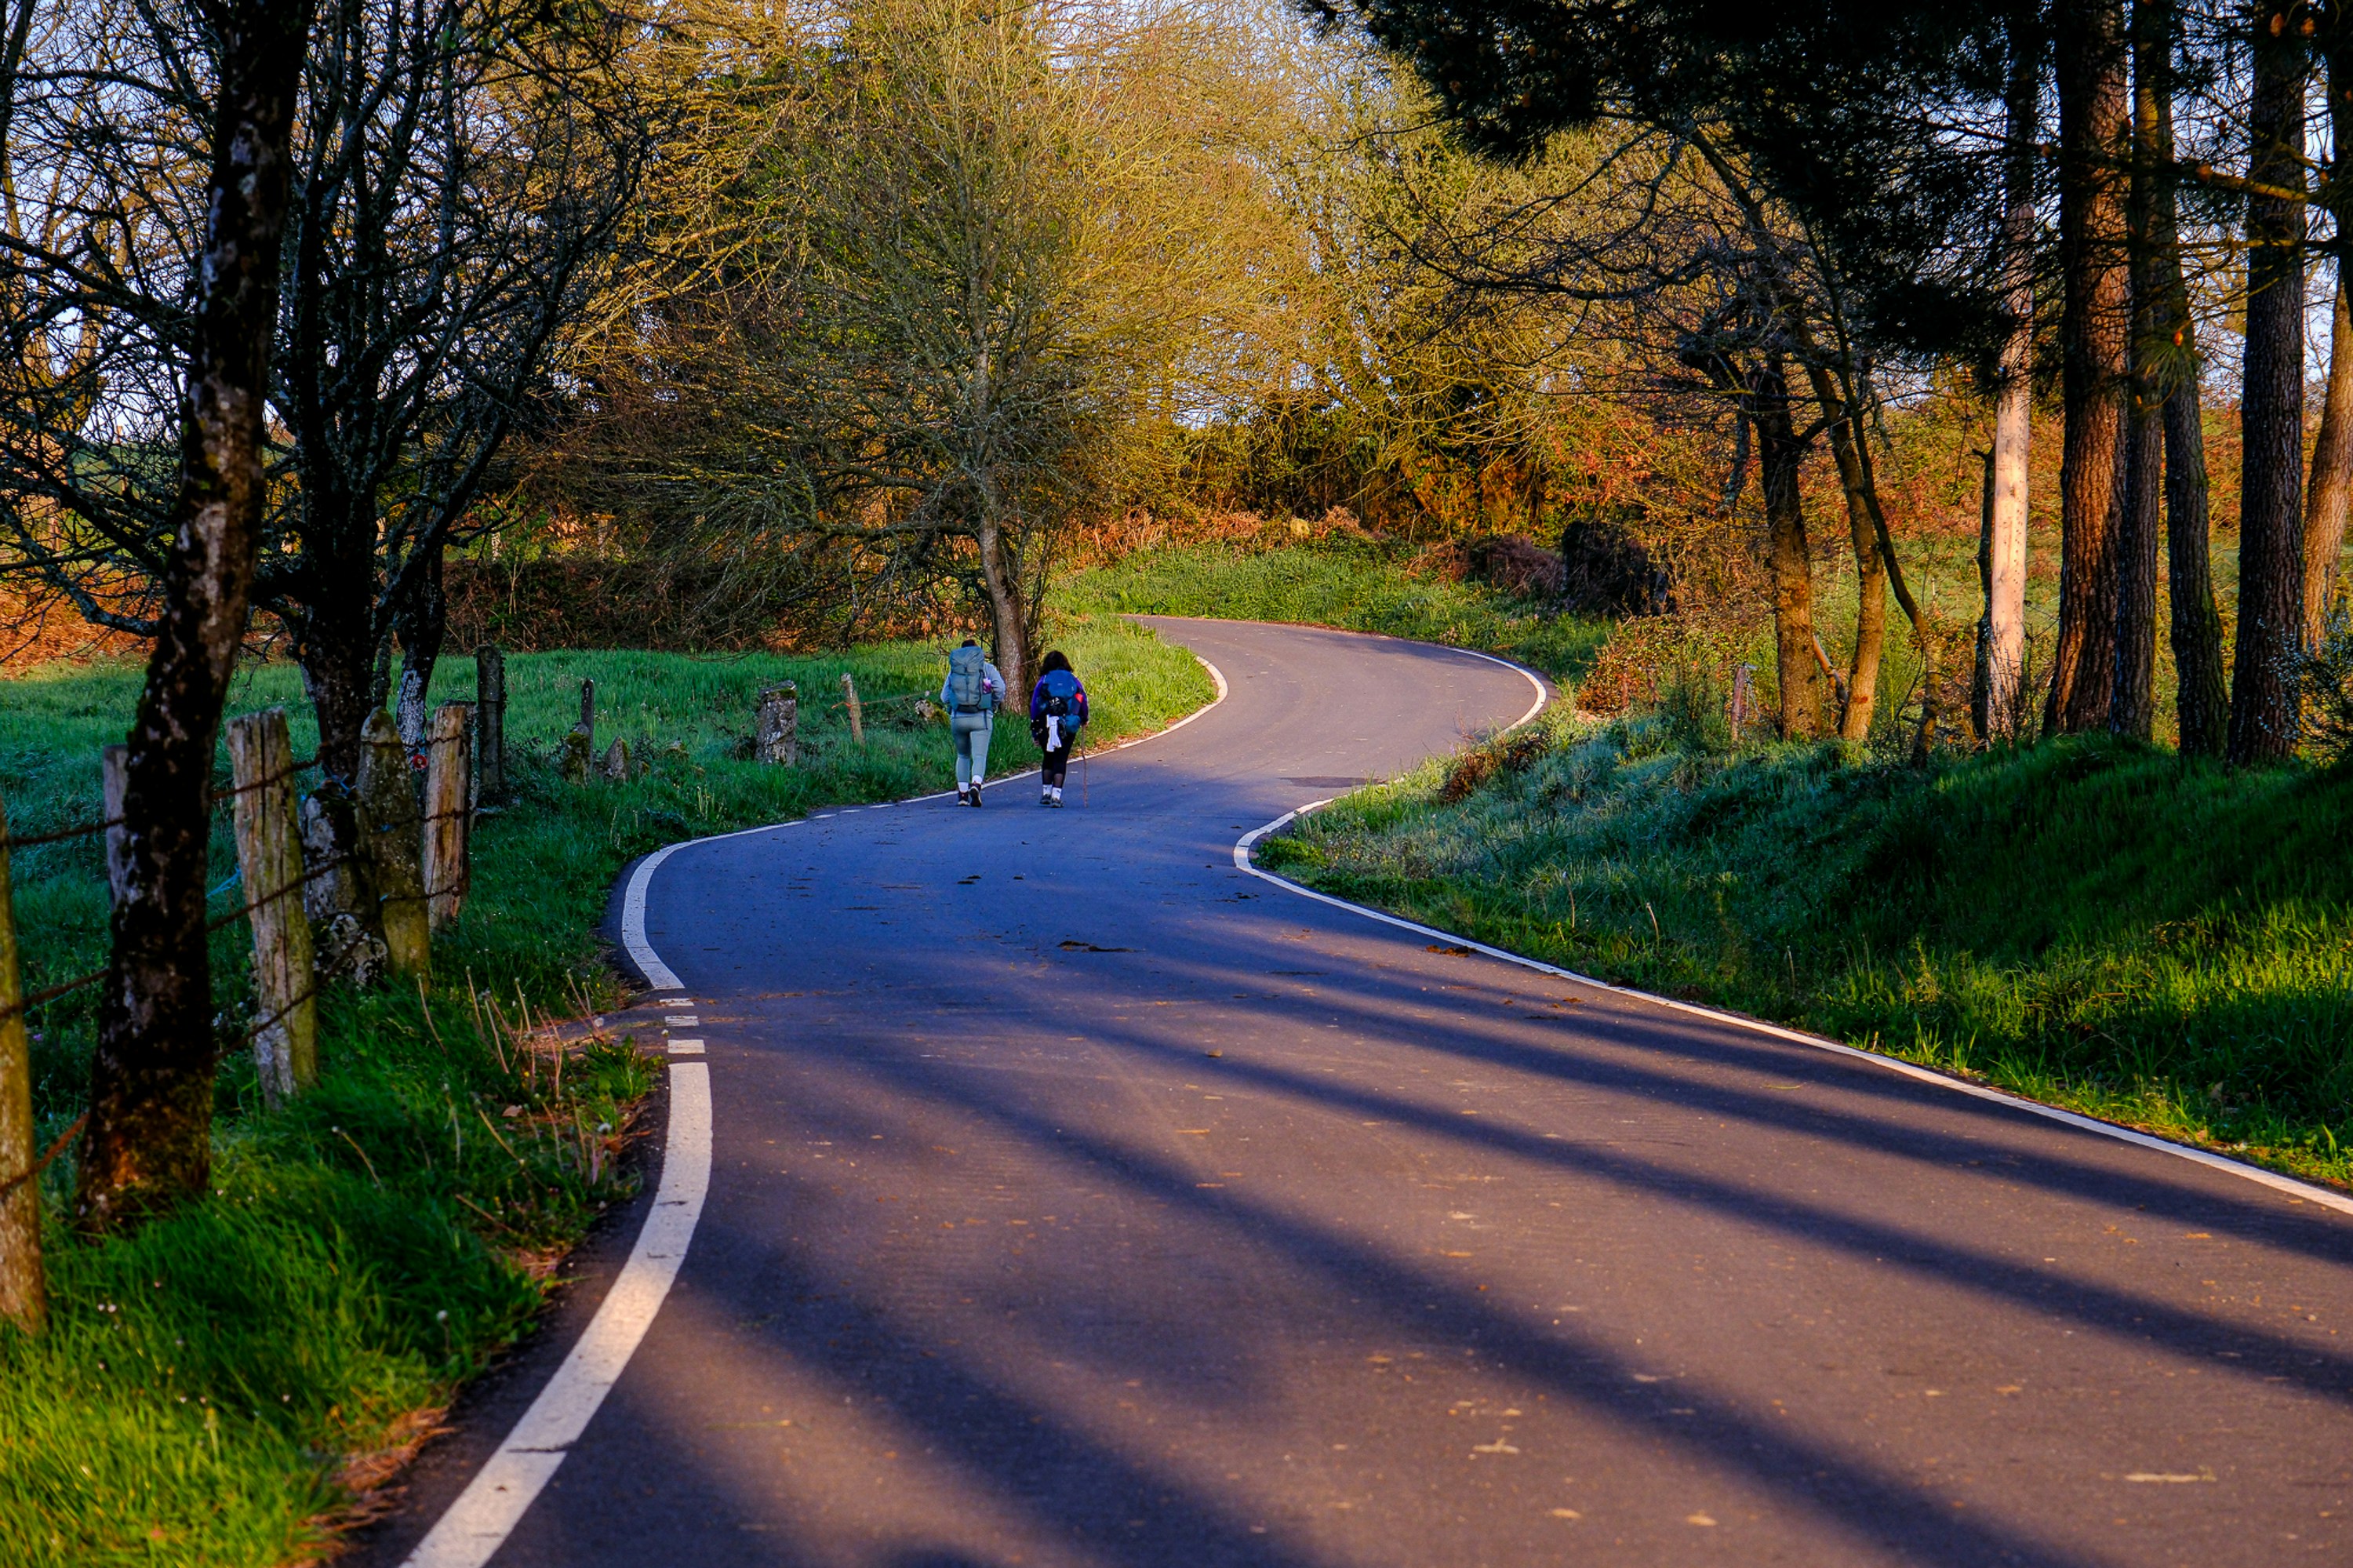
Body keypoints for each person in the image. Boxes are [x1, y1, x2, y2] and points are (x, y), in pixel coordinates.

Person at [940, 638, 1003, 806]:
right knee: (979, 755)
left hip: (958, 718)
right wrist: (992, 705)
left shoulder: (955, 672)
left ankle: (962, 795)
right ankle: (975, 784)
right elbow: (1000, 689)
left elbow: (944, 697)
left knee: (962, 755)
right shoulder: (987, 669)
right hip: (981, 717)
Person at [1028, 649, 1088, 806]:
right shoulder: (1074, 680)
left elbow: (1035, 705)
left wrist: (1034, 727)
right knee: (1061, 759)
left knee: (1048, 757)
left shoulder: (1044, 680)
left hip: (1045, 723)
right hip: (1067, 723)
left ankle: (1046, 794)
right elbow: (1082, 699)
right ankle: (1056, 796)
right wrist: (1084, 718)